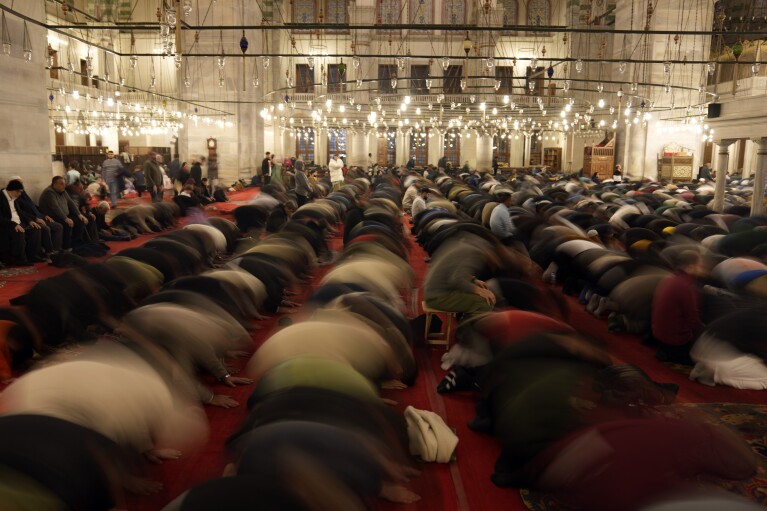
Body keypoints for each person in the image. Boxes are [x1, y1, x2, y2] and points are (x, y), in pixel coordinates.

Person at [651, 250, 706, 365]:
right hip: (675, 341)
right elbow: (693, 320)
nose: (702, 269)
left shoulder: (669, 278)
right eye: (700, 266)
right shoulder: (686, 286)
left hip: (657, 334)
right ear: (691, 267)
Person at [38, 176, 89, 251]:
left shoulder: (63, 191)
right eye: (61, 184)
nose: (64, 186)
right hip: (52, 216)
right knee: (67, 223)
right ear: (54, 184)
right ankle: (66, 247)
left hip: (63, 215)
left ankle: (76, 243)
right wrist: (65, 218)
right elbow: (55, 208)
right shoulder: (49, 192)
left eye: (64, 184)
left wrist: (79, 214)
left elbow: (71, 203)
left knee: (80, 220)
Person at [0, 179, 42, 266]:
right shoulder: (1, 197)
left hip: (18, 223)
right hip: (6, 225)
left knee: (35, 229)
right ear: (13, 190)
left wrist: (30, 220)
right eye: (19, 192)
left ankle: (33, 256)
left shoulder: (14, 198)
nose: (20, 194)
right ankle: (19, 259)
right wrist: (13, 224)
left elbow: (20, 212)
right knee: (19, 232)